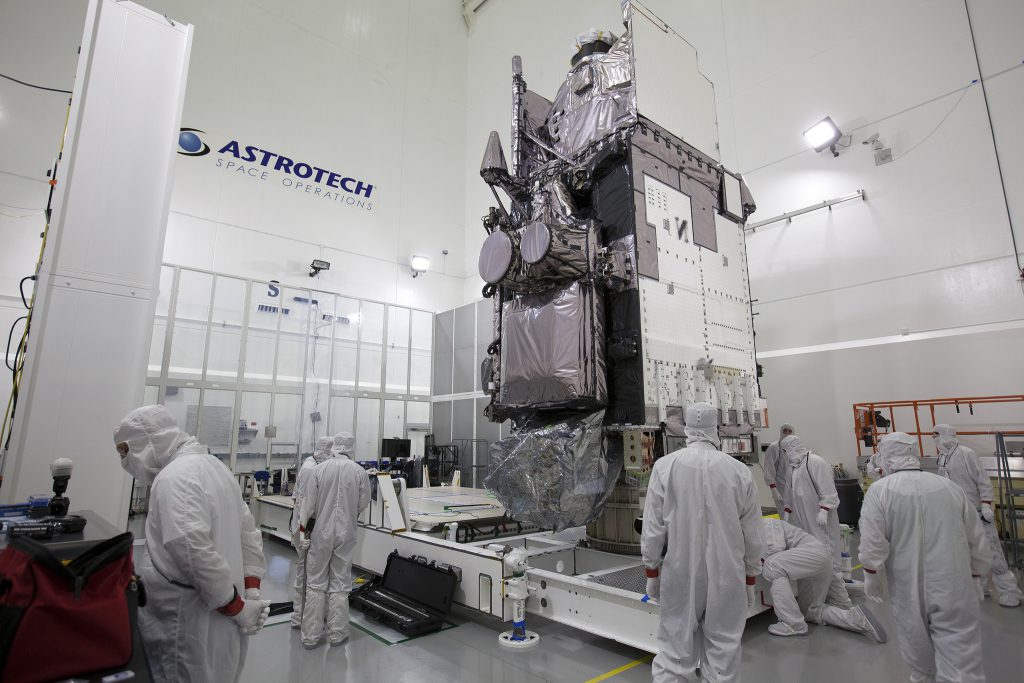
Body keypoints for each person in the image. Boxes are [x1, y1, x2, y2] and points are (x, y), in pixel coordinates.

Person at [114, 405, 270, 682]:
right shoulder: (217, 468)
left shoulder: (174, 478)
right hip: (225, 613)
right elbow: (249, 533)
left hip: (185, 621)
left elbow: (193, 552)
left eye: (126, 451)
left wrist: (238, 606)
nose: (125, 461)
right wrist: (250, 594)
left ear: (147, 442)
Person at [641, 402, 763, 683]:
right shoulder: (739, 472)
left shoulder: (664, 467)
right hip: (727, 574)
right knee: (723, 652)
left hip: (680, 570)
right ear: (715, 428)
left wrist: (651, 571)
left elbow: (652, 529)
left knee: (674, 652)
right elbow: (754, 534)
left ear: (687, 429)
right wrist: (750, 577)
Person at [859, 432, 991, 683]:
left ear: (885, 456)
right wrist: (976, 575)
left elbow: (872, 540)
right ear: (913, 454)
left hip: (909, 589)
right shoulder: (949, 487)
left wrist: (870, 573)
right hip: (954, 585)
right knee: (962, 664)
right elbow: (977, 539)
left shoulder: (879, 491)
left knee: (920, 662)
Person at [933, 424, 1021, 608]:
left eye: (937, 435)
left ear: (947, 435)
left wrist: (987, 504)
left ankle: (1010, 592)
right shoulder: (941, 458)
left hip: (978, 512)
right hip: (957, 513)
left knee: (993, 553)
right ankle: (981, 588)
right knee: (968, 553)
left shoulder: (966, 454)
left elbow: (982, 480)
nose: (935, 438)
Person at [298, 431, 371, 648]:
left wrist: (303, 530)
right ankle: (338, 634)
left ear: (335, 446)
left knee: (316, 582)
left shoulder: (319, 470)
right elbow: (364, 501)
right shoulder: (359, 472)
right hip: (346, 532)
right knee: (340, 582)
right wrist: (349, 514)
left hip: (321, 532)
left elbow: (308, 505)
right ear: (351, 446)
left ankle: (311, 636)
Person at [761, 518, 886, 642]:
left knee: (771, 565)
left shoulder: (766, 523)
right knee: (811, 611)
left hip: (813, 553)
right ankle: (857, 619)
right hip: (817, 562)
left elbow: (775, 549)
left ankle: (792, 624)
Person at [779, 435, 852, 609]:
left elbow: (829, 491)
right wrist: (787, 513)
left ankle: (842, 602)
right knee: (812, 559)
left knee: (829, 559)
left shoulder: (816, 462)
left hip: (821, 522)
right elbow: (789, 494)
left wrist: (825, 510)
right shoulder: (793, 468)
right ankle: (819, 599)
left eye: (784, 451)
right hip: (802, 522)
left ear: (791, 448)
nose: (784, 455)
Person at [290, 436, 335, 628]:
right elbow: (303, 506)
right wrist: (303, 532)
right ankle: (300, 618)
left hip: (309, 526)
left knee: (312, 574)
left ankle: (310, 615)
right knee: (305, 576)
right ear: (326, 450)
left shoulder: (314, 465)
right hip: (305, 528)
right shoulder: (310, 469)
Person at [762, 423, 795, 515]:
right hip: (781, 487)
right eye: (785, 431)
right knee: (784, 513)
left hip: (794, 487)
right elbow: (769, 467)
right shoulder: (774, 447)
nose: (787, 433)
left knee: (796, 514)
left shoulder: (795, 448)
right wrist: (773, 488)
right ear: (781, 432)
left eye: (790, 431)